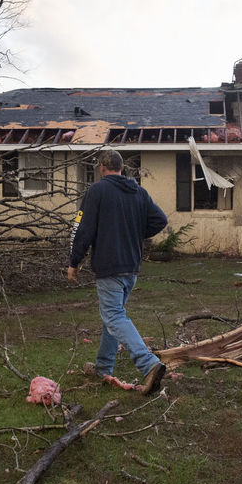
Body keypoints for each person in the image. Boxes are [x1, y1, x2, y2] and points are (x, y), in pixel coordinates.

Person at [67, 149, 169, 395]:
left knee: (113, 317)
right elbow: (160, 220)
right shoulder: (139, 192)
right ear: (121, 168)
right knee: (112, 318)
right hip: (131, 267)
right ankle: (103, 368)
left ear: (103, 167)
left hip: (109, 266)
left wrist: (74, 261)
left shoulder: (96, 191)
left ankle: (149, 365)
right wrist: (133, 233)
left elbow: (81, 229)